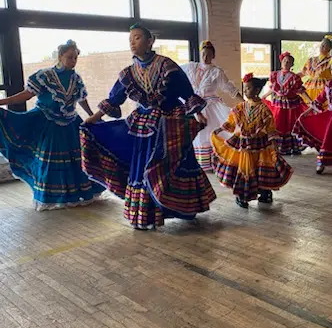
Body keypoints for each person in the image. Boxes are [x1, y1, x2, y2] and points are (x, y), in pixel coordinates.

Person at [80, 24, 216, 230]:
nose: (132, 43)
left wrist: (198, 113)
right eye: (130, 39)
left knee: (176, 164)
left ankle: (183, 208)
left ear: (150, 41)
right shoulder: (128, 73)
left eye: (137, 38)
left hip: (170, 125)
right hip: (144, 126)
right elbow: (115, 98)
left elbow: (185, 91)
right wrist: (94, 117)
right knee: (143, 166)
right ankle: (146, 215)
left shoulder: (167, 66)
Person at [0, 40, 104, 210]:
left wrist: (92, 115)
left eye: (76, 58)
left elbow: (82, 98)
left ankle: (77, 193)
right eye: (70, 57)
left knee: (77, 160)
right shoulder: (45, 76)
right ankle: (51, 197)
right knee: (50, 162)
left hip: (71, 123)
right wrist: (2, 101)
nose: (73, 61)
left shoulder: (76, 78)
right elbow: (26, 95)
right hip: (48, 122)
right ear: (60, 56)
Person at [211, 73, 293, 208]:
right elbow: (231, 122)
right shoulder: (240, 107)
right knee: (243, 168)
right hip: (242, 142)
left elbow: (270, 127)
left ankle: (265, 193)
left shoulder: (264, 109)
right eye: (244, 88)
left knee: (259, 168)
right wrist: (219, 130)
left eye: (248, 88)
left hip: (260, 143)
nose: (245, 91)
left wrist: (274, 145)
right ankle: (242, 195)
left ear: (256, 91)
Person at [181, 40, 242, 171]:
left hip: (211, 105)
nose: (205, 57)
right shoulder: (191, 67)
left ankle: (215, 160)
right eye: (203, 54)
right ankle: (199, 162)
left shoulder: (216, 72)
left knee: (211, 130)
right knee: (196, 133)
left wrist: (243, 101)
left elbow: (229, 88)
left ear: (213, 56)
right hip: (193, 105)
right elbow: (176, 73)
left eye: (208, 54)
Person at [262, 51, 309, 155]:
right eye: (285, 61)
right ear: (281, 62)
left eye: (289, 62)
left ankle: (293, 147)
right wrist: (265, 95)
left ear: (292, 64)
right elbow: (274, 89)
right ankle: (280, 147)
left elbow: (300, 90)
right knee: (278, 123)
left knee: (290, 124)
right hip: (279, 103)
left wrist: (309, 100)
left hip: (291, 105)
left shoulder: (294, 77)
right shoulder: (275, 75)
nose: (286, 63)